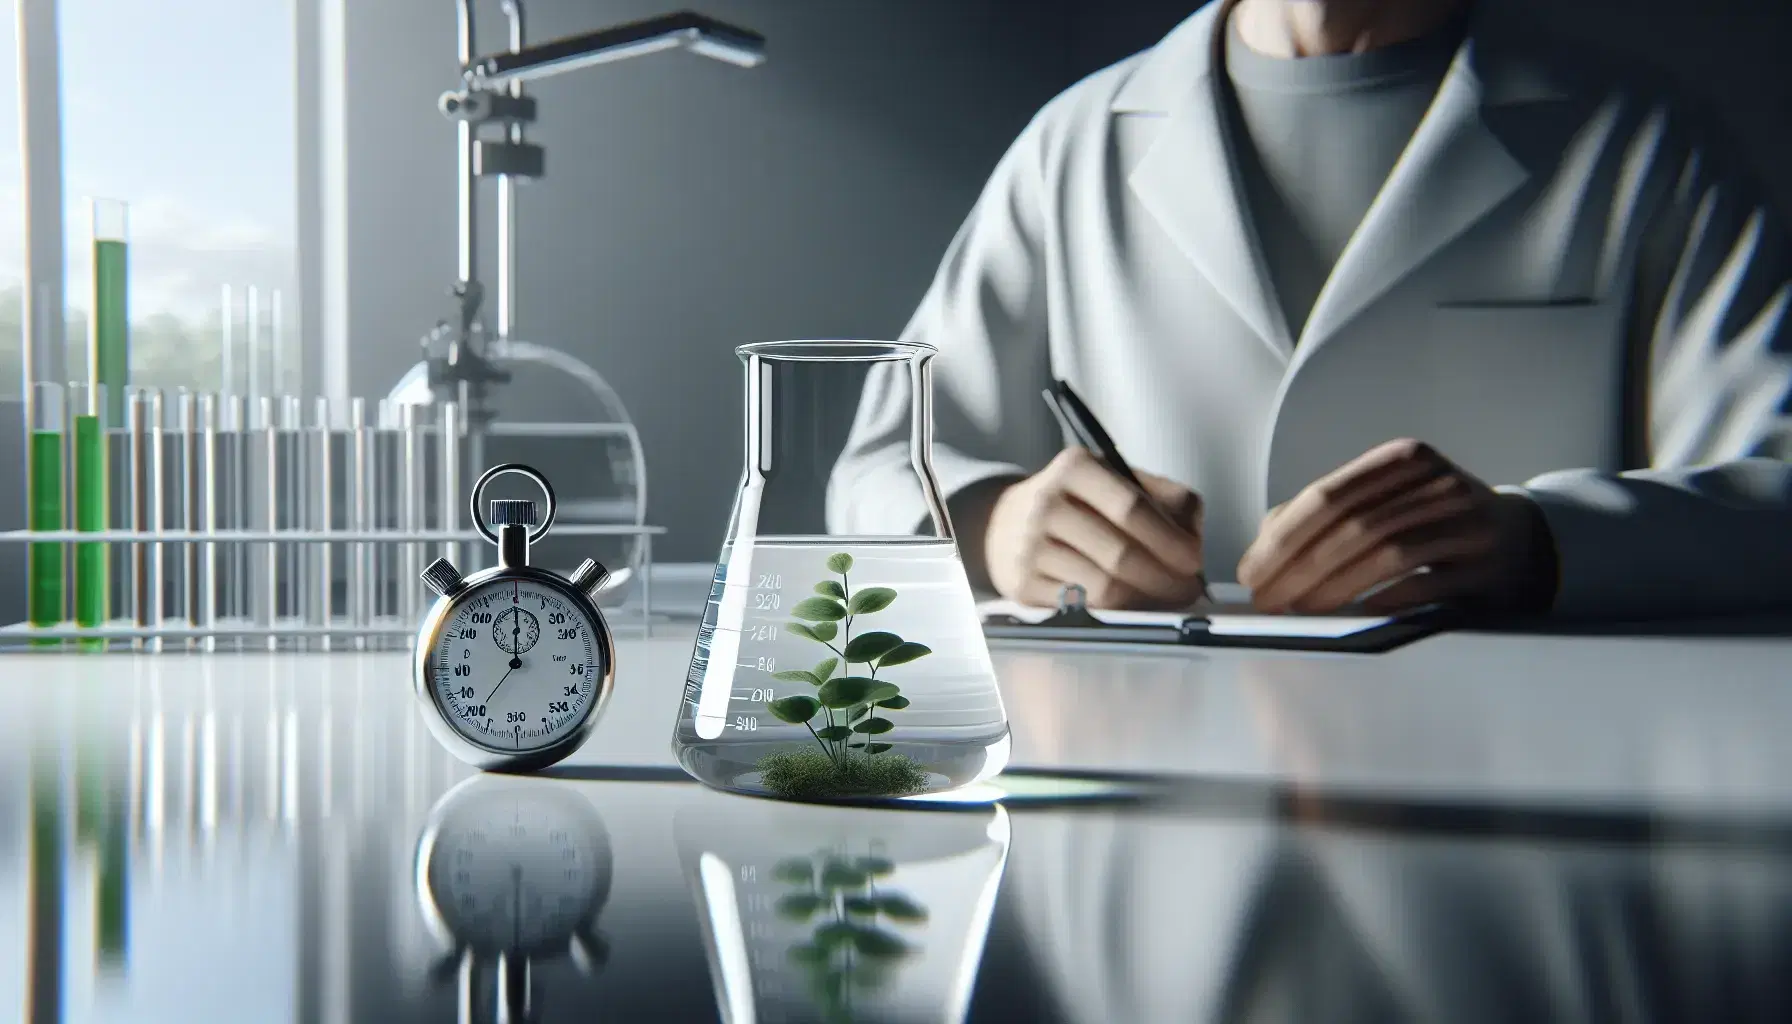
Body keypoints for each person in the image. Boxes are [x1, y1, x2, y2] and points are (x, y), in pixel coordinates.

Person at [827, 0, 1792, 619]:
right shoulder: (1073, 145)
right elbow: (875, 469)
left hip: (1519, 775)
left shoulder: (1643, 144)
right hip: (1148, 783)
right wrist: (997, 526)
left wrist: (1541, 541)